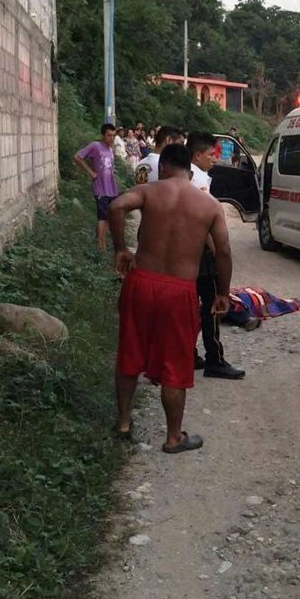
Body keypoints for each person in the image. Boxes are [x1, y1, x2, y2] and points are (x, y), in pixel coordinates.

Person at [108, 144, 233, 454]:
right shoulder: (209, 205)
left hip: (141, 282)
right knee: (176, 362)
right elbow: (223, 251)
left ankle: (123, 423)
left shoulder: (149, 191)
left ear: (162, 167)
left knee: (129, 351)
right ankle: (173, 437)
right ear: (190, 169)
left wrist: (121, 248)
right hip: (179, 290)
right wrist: (222, 292)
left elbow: (116, 206)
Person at [188, 132, 246, 380]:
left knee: (190, 306)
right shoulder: (198, 179)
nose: (214, 159)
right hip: (202, 253)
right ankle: (215, 359)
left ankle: (189, 354)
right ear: (197, 155)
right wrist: (214, 247)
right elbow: (201, 220)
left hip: (185, 252)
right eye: (211, 154)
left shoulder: (186, 175)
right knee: (211, 303)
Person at [73, 123, 121, 250]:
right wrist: (91, 172)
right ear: (103, 135)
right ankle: (100, 246)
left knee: (108, 216)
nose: (112, 138)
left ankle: (101, 242)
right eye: (109, 135)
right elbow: (78, 157)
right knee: (102, 217)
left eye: (114, 136)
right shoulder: (95, 146)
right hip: (101, 188)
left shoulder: (110, 150)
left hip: (111, 189)